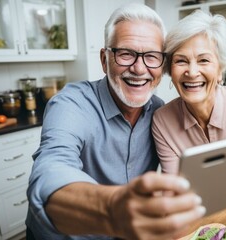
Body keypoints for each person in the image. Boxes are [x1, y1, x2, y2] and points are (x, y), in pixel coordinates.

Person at [25, 3, 205, 240]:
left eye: (151, 56)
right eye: (126, 53)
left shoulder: (160, 112)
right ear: (104, 59)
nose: (139, 68)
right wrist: (111, 209)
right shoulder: (71, 104)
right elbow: (51, 169)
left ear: (162, 65)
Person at [152, 10, 226, 204]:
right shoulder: (162, 120)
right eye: (181, 60)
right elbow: (174, 193)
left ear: (220, 70)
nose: (191, 72)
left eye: (203, 60)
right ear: (170, 71)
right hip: (191, 219)